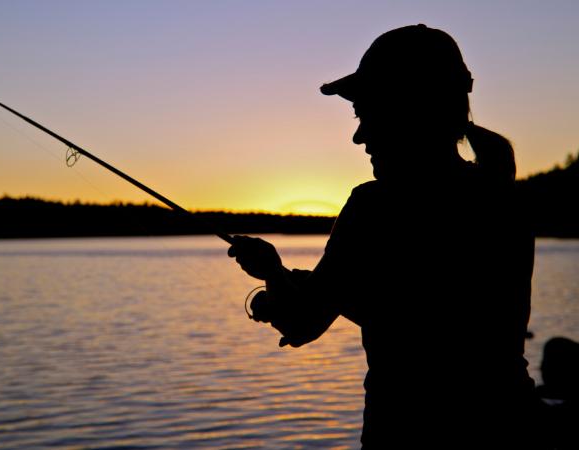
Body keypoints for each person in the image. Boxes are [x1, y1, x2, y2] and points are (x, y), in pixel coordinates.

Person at [228, 24, 543, 449]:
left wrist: (271, 271)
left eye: (366, 114)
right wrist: (326, 288)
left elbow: (301, 322)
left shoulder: (375, 207)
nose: (359, 136)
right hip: (510, 425)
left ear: (407, 108)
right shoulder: (504, 199)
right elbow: (437, 316)